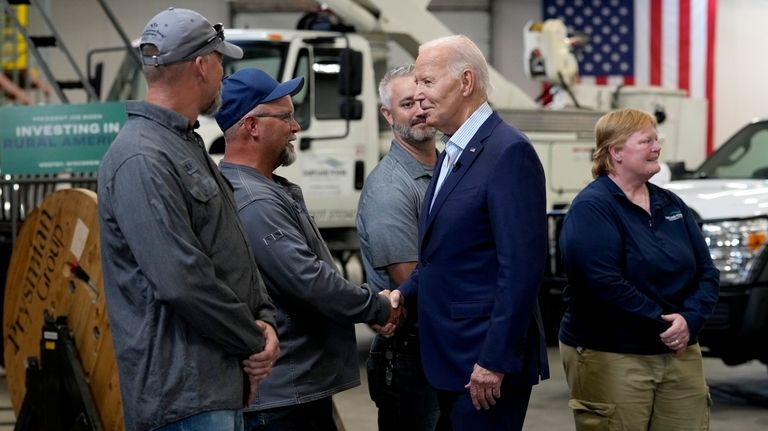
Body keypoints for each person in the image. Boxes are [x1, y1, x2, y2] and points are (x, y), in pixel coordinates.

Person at [98, 8, 279, 431]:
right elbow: (181, 277)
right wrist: (254, 341)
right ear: (201, 65)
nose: (222, 74)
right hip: (183, 395)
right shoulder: (143, 157)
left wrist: (264, 319)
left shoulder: (183, 143)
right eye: (219, 61)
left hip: (213, 383)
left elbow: (226, 250)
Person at [214, 67, 404, 431]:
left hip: (297, 390)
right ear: (252, 126)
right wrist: (376, 306)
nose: (296, 126)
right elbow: (310, 281)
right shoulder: (254, 202)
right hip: (284, 396)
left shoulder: (263, 188)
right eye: (285, 116)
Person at [394, 35, 550, 430]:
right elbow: (444, 254)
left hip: (483, 364)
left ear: (465, 83)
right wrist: (402, 295)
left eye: (427, 82)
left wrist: (494, 360)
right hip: (452, 357)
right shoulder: (453, 151)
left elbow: (522, 270)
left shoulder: (508, 152)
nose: (418, 94)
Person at [558, 108, 720, 430]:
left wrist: (690, 320)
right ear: (615, 152)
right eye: (646, 140)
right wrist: (663, 323)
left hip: (678, 351)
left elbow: (707, 271)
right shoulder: (593, 207)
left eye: (656, 139)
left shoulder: (671, 204)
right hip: (614, 353)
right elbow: (602, 282)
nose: (657, 147)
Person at [356, 64, 442, 430]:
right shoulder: (390, 188)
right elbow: (410, 283)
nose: (420, 110)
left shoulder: (448, 170)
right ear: (388, 115)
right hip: (412, 353)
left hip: (442, 346)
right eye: (407, 103)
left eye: (425, 100)